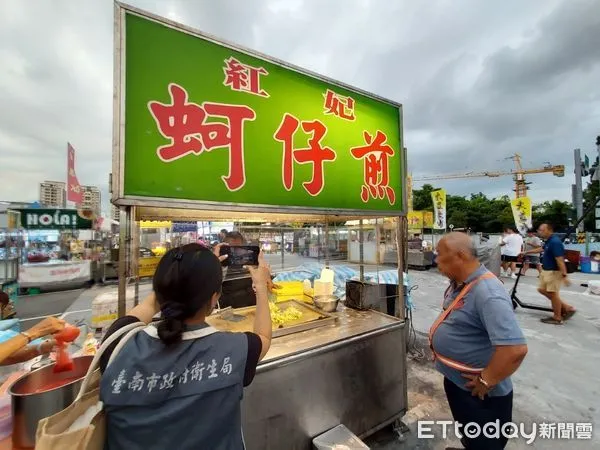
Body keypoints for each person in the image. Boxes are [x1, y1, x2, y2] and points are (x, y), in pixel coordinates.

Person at [99, 243, 272, 450]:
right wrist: (261, 287)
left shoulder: (117, 345)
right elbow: (264, 336)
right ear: (214, 298)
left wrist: (187, 277)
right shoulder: (235, 350)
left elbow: (145, 308)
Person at [429, 233, 528, 450]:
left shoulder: (488, 291)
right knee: (470, 434)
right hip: (460, 383)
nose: (435, 261)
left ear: (460, 256)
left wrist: (486, 380)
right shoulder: (462, 284)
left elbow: (515, 349)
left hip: (481, 393)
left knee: (485, 442)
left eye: (440, 255)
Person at [532, 223, 576, 325]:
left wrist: (564, 275)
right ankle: (567, 308)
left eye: (542, 230)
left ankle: (557, 317)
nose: (539, 232)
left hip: (553, 272)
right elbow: (541, 249)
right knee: (541, 290)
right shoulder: (549, 241)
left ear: (549, 230)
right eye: (539, 230)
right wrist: (526, 252)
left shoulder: (555, 242)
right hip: (546, 271)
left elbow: (560, 260)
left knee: (553, 294)